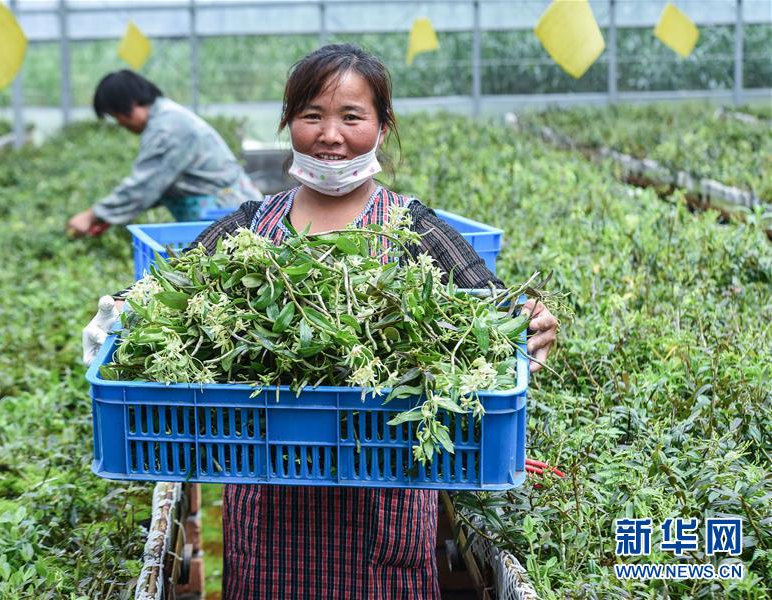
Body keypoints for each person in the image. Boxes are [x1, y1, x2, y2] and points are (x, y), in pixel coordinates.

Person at [83, 45, 558, 598]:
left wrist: (528, 319)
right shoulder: (254, 226)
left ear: (383, 126)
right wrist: (118, 312)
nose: (330, 135)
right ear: (289, 124)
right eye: (312, 116)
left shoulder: (410, 227)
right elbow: (172, 284)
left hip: (383, 498)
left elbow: (490, 303)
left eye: (352, 117)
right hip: (268, 497)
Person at [66, 70, 262, 237]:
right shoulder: (165, 119)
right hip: (221, 211)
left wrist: (91, 215)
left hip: (228, 213)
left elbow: (144, 185)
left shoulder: (167, 129)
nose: (120, 124)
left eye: (116, 116)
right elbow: (158, 186)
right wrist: (110, 216)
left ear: (128, 105)